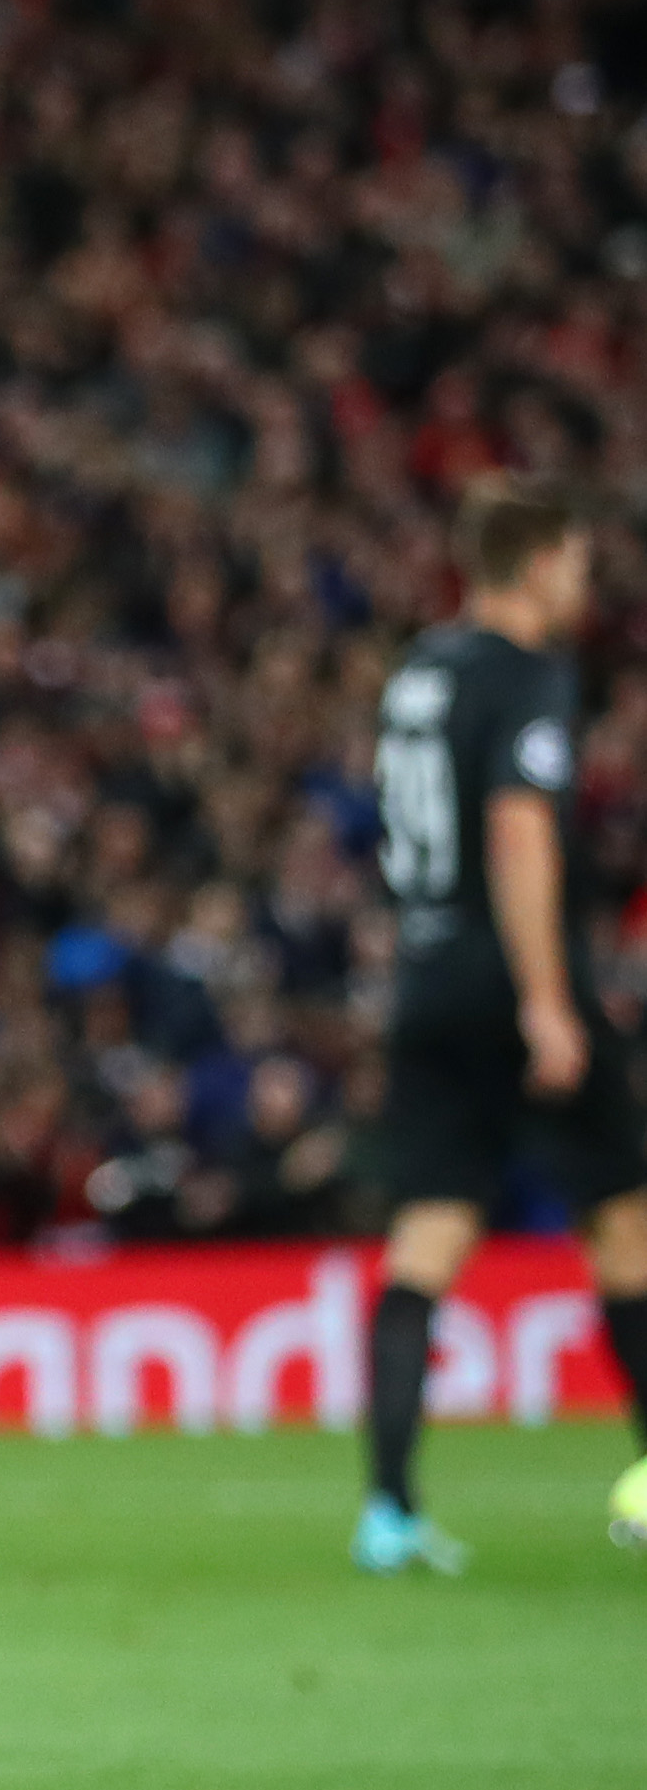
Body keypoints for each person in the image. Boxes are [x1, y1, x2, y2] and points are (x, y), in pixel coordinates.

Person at [356, 476, 647, 1571]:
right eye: (572, 560)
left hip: (425, 974)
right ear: (531, 565)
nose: (580, 581)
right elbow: (518, 829)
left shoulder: (419, 672)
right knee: (622, 1223)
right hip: (510, 974)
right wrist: (545, 1000)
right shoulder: (528, 674)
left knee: (426, 1236)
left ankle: (386, 1511)